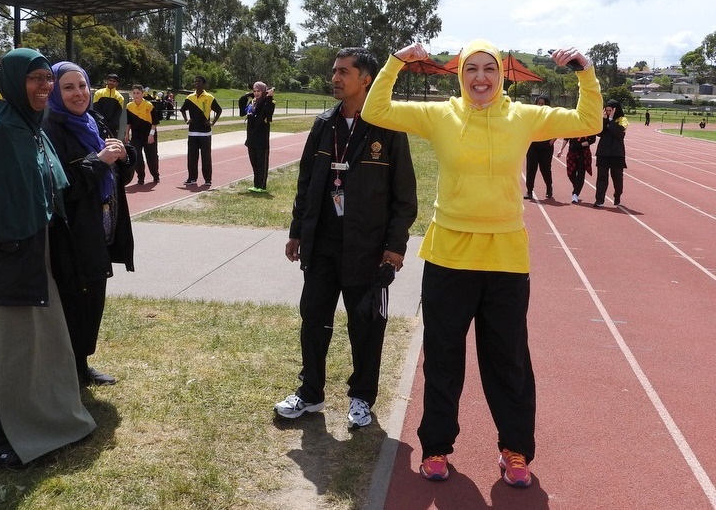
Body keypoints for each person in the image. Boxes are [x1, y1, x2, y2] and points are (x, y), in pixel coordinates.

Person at [361, 40, 602, 486]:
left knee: (507, 359)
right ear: (460, 75)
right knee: (444, 357)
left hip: (506, 258)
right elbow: (377, 110)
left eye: (488, 69)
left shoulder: (524, 117)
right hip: (449, 257)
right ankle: (436, 447)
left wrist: (584, 71)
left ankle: (515, 450)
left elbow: (588, 120)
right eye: (471, 69)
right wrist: (396, 62)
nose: (480, 78)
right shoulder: (440, 116)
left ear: (501, 75)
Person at [0, 48, 96, 472]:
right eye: (34, 78)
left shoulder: (32, 128)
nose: (44, 86)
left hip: (31, 254)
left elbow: (51, 189)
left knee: (33, 350)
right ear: (11, 81)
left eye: (48, 78)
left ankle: (35, 426)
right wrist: (9, 251)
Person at [273, 47, 418, 430]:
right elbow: (307, 183)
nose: (335, 78)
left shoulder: (388, 128)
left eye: (343, 72)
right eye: (334, 72)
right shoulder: (324, 124)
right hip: (322, 245)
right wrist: (296, 230)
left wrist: (394, 247)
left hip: (368, 250)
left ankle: (361, 397)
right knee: (314, 319)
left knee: (366, 325)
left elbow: (404, 197)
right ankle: (310, 393)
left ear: (366, 78)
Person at [43, 61, 136, 387]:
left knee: (94, 295)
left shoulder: (94, 120)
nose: (78, 93)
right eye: (68, 87)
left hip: (103, 223)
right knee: (75, 298)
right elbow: (60, 185)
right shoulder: (51, 130)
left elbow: (121, 170)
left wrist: (124, 155)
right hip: (74, 232)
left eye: (82, 86)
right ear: (55, 91)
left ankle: (81, 364)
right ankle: (71, 366)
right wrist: (100, 161)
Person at [180, 75, 222, 186]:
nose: (196, 84)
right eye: (195, 82)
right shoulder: (190, 98)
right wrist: (186, 120)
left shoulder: (209, 97)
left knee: (206, 157)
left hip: (205, 133)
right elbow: (182, 110)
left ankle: (207, 179)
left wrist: (212, 122)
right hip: (192, 132)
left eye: (199, 82)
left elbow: (219, 110)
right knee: (192, 157)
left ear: (204, 84)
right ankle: (192, 178)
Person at [239, 81, 276, 192]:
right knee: (254, 163)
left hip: (262, 139)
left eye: (259, 91)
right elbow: (242, 111)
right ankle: (256, 185)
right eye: (254, 91)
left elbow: (268, 113)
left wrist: (269, 98)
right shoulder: (252, 103)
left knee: (261, 163)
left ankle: (262, 186)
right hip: (251, 138)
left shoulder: (269, 102)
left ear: (264, 91)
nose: (256, 93)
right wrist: (246, 96)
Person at [593, 99, 628, 207]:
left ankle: (617, 195)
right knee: (601, 178)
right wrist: (604, 121)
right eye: (606, 110)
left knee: (617, 179)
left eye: (610, 110)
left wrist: (611, 120)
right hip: (603, 153)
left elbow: (618, 133)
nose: (608, 113)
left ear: (615, 110)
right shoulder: (603, 119)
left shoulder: (623, 120)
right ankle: (599, 200)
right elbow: (599, 133)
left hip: (617, 154)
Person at [124, 84, 160, 185]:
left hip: (149, 135)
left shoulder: (149, 105)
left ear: (143, 94)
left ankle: (155, 175)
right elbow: (129, 122)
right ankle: (141, 177)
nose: (136, 95)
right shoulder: (129, 106)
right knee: (137, 157)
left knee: (151, 157)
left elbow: (155, 122)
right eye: (134, 93)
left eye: (138, 93)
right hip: (136, 136)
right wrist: (127, 133)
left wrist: (151, 135)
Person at [523, 94, 555, 199]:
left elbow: (558, 128)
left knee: (545, 169)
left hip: (546, 146)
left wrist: (551, 141)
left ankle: (549, 188)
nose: (540, 105)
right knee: (531, 169)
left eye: (542, 103)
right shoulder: (532, 115)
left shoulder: (551, 116)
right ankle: (529, 191)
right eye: (539, 103)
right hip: (533, 145)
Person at [557, 134, 596, 204]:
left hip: (583, 153)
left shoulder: (588, 126)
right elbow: (566, 138)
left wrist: (581, 144)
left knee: (581, 174)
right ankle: (577, 188)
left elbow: (593, 140)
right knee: (570, 173)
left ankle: (575, 194)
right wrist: (561, 149)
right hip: (572, 152)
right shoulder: (573, 125)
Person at [93, 73, 125, 137]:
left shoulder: (120, 97)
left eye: (114, 81)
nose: (111, 82)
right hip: (100, 124)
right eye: (110, 80)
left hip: (113, 127)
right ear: (107, 81)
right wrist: (103, 122)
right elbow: (96, 110)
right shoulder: (98, 93)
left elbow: (117, 114)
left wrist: (110, 124)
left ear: (117, 83)